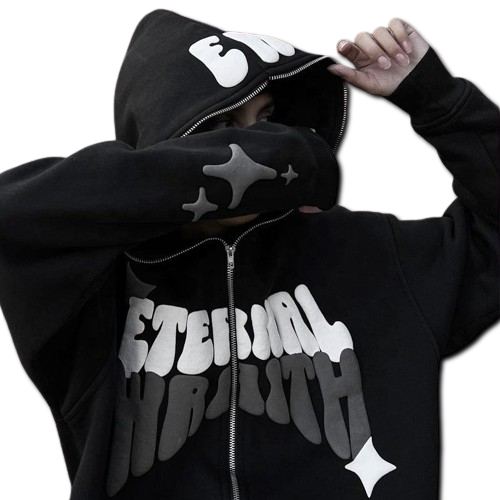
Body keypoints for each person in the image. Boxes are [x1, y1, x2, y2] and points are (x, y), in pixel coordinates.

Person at [0, 8, 498, 500]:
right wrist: (288, 163)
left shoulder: (366, 253)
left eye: (268, 119)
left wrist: (440, 101)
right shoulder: (95, 282)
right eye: (222, 125)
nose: (261, 144)